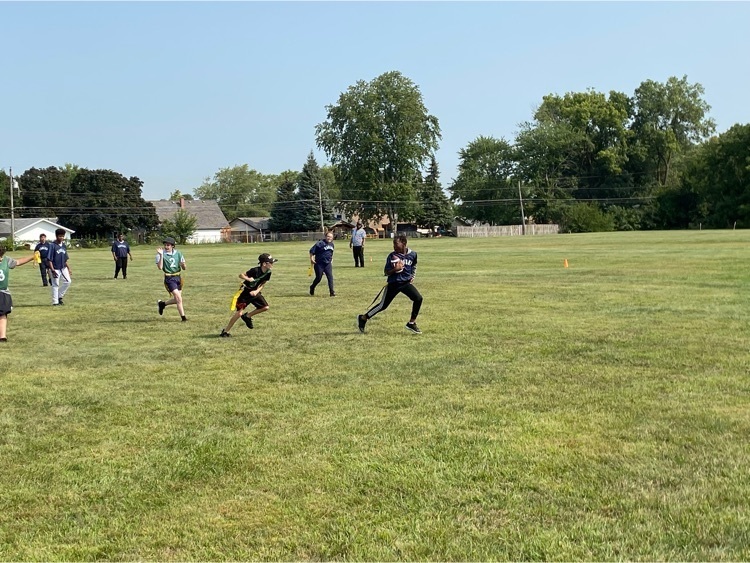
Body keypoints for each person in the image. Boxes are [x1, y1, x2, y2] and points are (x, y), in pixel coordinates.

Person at [358, 234, 423, 334]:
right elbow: (386, 272)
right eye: (393, 244)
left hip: (405, 283)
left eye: (396, 244)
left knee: (418, 298)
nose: (394, 247)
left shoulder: (413, 254)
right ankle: (363, 318)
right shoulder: (392, 256)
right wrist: (395, 269)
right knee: (382, 306)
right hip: (394, 284)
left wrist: (412, 276)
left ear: (404, 243)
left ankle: (411, 323)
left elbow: (414, 265)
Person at [220, 253, 277, 337]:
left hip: (254, 292)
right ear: (264, 264)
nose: (272, 264)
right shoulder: (255, 270)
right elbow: (241, 275)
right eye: (271, 263)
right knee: (239, 313)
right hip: (245, 293)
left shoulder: (268, 272)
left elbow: (263, 283)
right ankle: (225, 331)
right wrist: (248, 279)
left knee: (265, 307)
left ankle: (247, 316)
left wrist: (256, 291)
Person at [0, 246, 35, 342]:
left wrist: (32, 257)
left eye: (1, 255)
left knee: (3, 314)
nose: (1, 258)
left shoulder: (6, 260)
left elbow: (18, 262)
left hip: (3, 292)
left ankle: (2, 336)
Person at [155, 236, 187, 321]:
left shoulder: (179, 253)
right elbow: (160, 267)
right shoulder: (160, 254)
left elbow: (184, 267)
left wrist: (183, 265)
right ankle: (183, 318)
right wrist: (161, 255)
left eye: (168, 245)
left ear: (172, 246)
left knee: (178, 299)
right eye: (165, 245)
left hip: (178, 277)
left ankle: (162, 304)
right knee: (179, 298)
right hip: (169, 278)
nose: (166, 247)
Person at [47, 228, 72, 306]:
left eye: (62, 236)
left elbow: (65, 259)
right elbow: (49, 259)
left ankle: (59, 296)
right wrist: (52, 270)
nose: (61, 237)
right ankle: (55, 302)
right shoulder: (52, 245)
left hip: (63, 267)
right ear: (56, 236)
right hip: (55, 268)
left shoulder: (63, 245)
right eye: (60, 236)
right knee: (55, 284)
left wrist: (69, 268)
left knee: (68, 282)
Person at [309, 231, 336, 297]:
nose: (329, 238)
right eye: (328, 236)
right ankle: (312, 287)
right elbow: (312, 251)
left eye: (331, 237)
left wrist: (331, 259)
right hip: (319, 263)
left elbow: (330, 253)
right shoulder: (320, 243)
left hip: (327, 264)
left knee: (330, 277)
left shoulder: (332, 244)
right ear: (325, 236)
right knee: (318, 278)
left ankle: (332, 292)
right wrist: (311, 258)